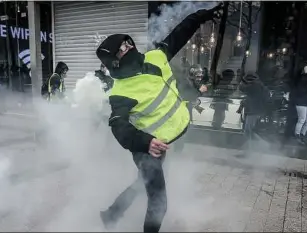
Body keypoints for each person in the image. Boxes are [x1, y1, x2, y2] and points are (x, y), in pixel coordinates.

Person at [95, 5, 222, 232]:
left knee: (139, 185)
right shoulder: (120, 92)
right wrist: (145, 143)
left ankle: (111, 214)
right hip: (148, 149)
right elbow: (118, 125)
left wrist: (201, 15)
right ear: (114, 63)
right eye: (122, 49)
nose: (128, 47)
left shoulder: (156, 57)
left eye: (128, 43)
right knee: (159, 202)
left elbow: (180, 33)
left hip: (166, 141)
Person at [237, 72, 271, 156]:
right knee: (249, 131)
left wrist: (242, 81)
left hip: (253, 111)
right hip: (257, 111)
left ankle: (262, 145)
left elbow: (241, 88)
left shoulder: (254, 86)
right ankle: (250, 150)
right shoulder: (260, 86)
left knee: (248, 131)